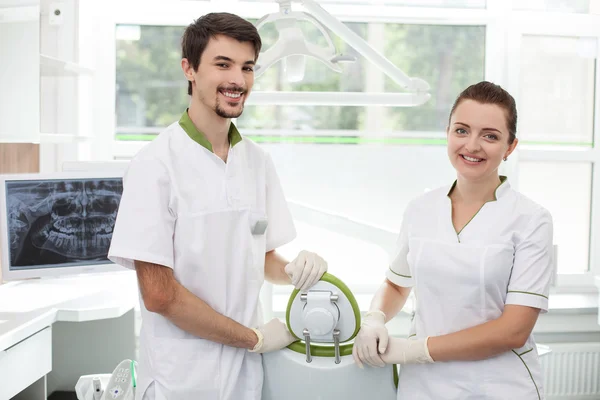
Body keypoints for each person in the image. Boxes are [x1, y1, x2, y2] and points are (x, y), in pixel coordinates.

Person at [108, 13, 328, 400]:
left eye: (247, 68)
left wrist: (294, 270)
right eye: (222, 65)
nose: (238, 80)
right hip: (183, 380)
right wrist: (252, 338)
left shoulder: (256, 162)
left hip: (245, 378)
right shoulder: (155, 165)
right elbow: (159, 295)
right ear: (189, 69)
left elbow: (259, 257)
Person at [352, 81, 553, 399]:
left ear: (510, 146)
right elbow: (395, 283)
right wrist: (374, 318)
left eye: (490, 135)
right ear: (447, 133)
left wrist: (414, 351)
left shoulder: (530, 220)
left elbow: (514, 330)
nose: (472, 146)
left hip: (499, 384)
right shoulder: (421, 209)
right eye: (462, 130)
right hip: (425, 386)